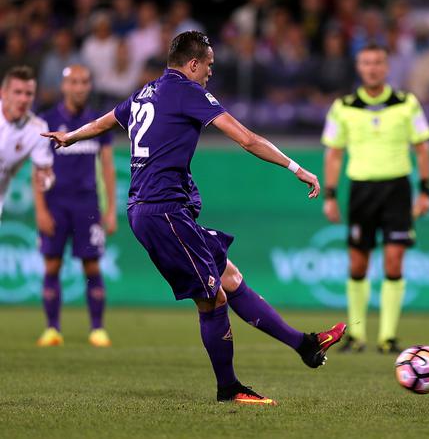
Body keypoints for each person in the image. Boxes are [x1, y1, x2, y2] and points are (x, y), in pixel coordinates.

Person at [42, 31, 346, 406]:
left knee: (230, 278)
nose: (210, 74)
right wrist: (295, 166)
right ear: (193, 64)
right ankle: (229, 388)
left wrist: (72, 136)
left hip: (159, 210)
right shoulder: (188, 91)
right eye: (209, 66)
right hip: (163, 212)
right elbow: (247, 138)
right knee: (212, 300)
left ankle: (305, 345)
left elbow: (108, 120)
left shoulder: (146, 92)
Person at [321, 43, 429, 354]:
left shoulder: (407, 103)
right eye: (366, 63)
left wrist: (425, 190)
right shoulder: (342, 106)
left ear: (386, 68)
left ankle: (388, 337)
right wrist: (330, 195)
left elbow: (422, 148)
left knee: (394, 260)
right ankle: (357, 336)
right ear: (359, 67)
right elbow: (334, 154)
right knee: (358, 263)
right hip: (361, 189)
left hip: (397, 189)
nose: (372, 68)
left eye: (378, 63)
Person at [35, 65, 117, 348]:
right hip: (56, 203)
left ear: (90, 86)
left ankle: (97, 328)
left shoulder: (99, 122)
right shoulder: (46, 121)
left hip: (87, 204)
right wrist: (41, 210)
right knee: (52, 264)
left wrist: (110, 210)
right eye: (74, 82)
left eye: (84, 82)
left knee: (92, 265)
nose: (80, 87)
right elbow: (38, 170)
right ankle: (52, 329)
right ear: (64, 86)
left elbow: (107, 167)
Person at [0, 66, 54, 221]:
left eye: (28, 94)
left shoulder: (37, 129)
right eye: (17, 92)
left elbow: (44, 171)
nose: (23, 99)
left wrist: (46, 180)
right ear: (3, 94)